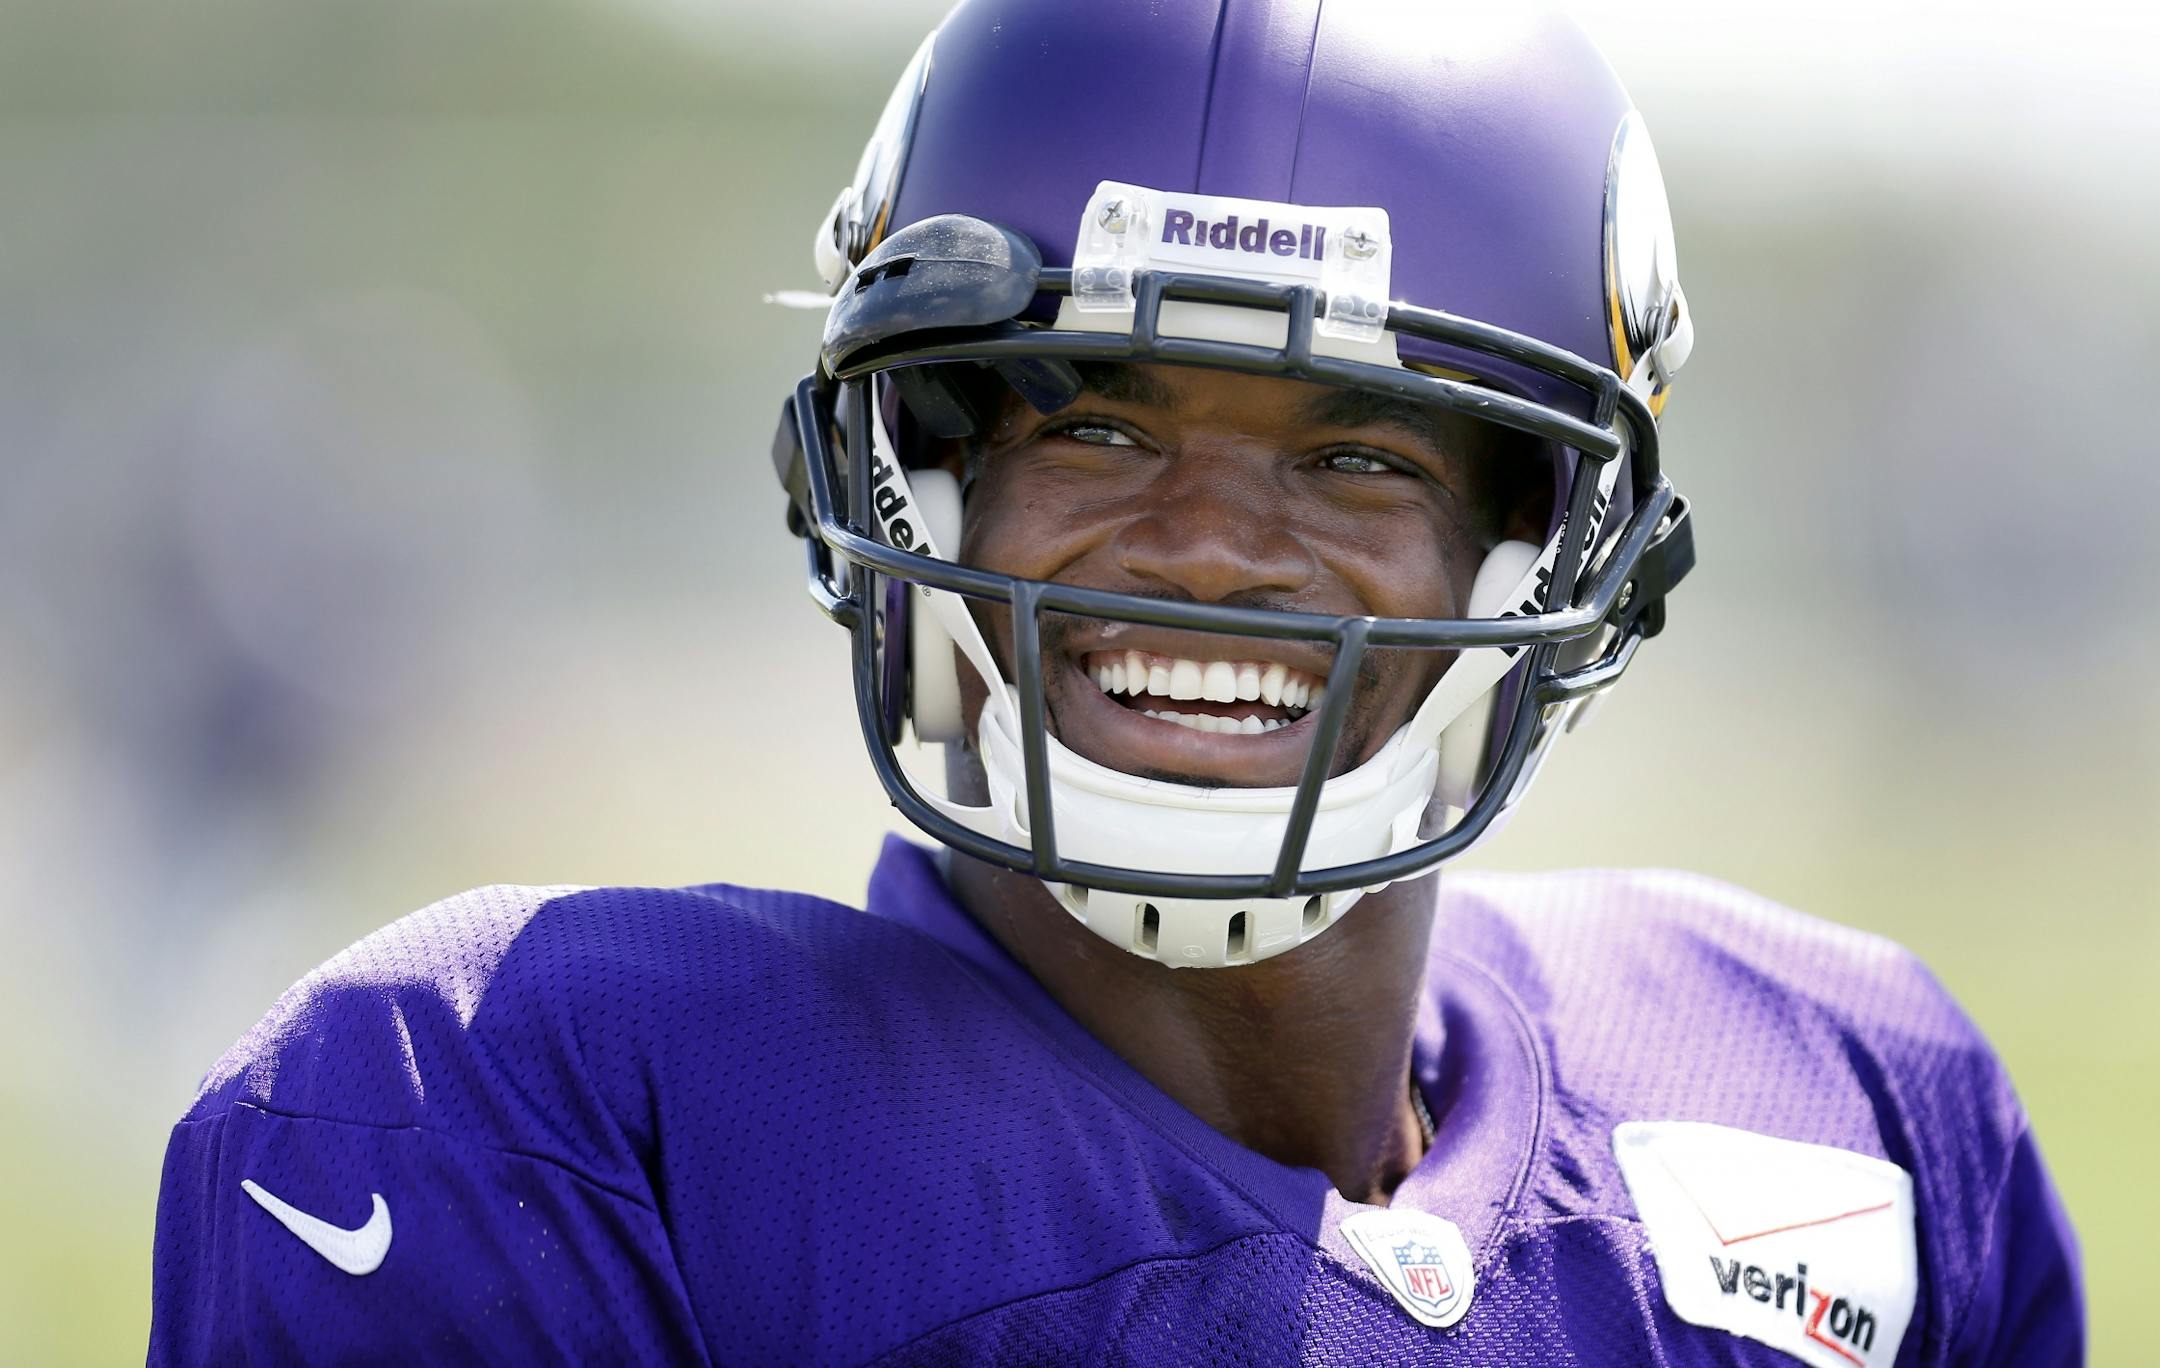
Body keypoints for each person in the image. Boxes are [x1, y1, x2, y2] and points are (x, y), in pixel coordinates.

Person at [149, 3, 2083, 1363]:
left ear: (1551, 558)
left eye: (1360, 457)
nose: (1212, 545)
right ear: (915, 479)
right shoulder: (533, 1114)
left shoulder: (1844, 1113)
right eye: (1091, 425)